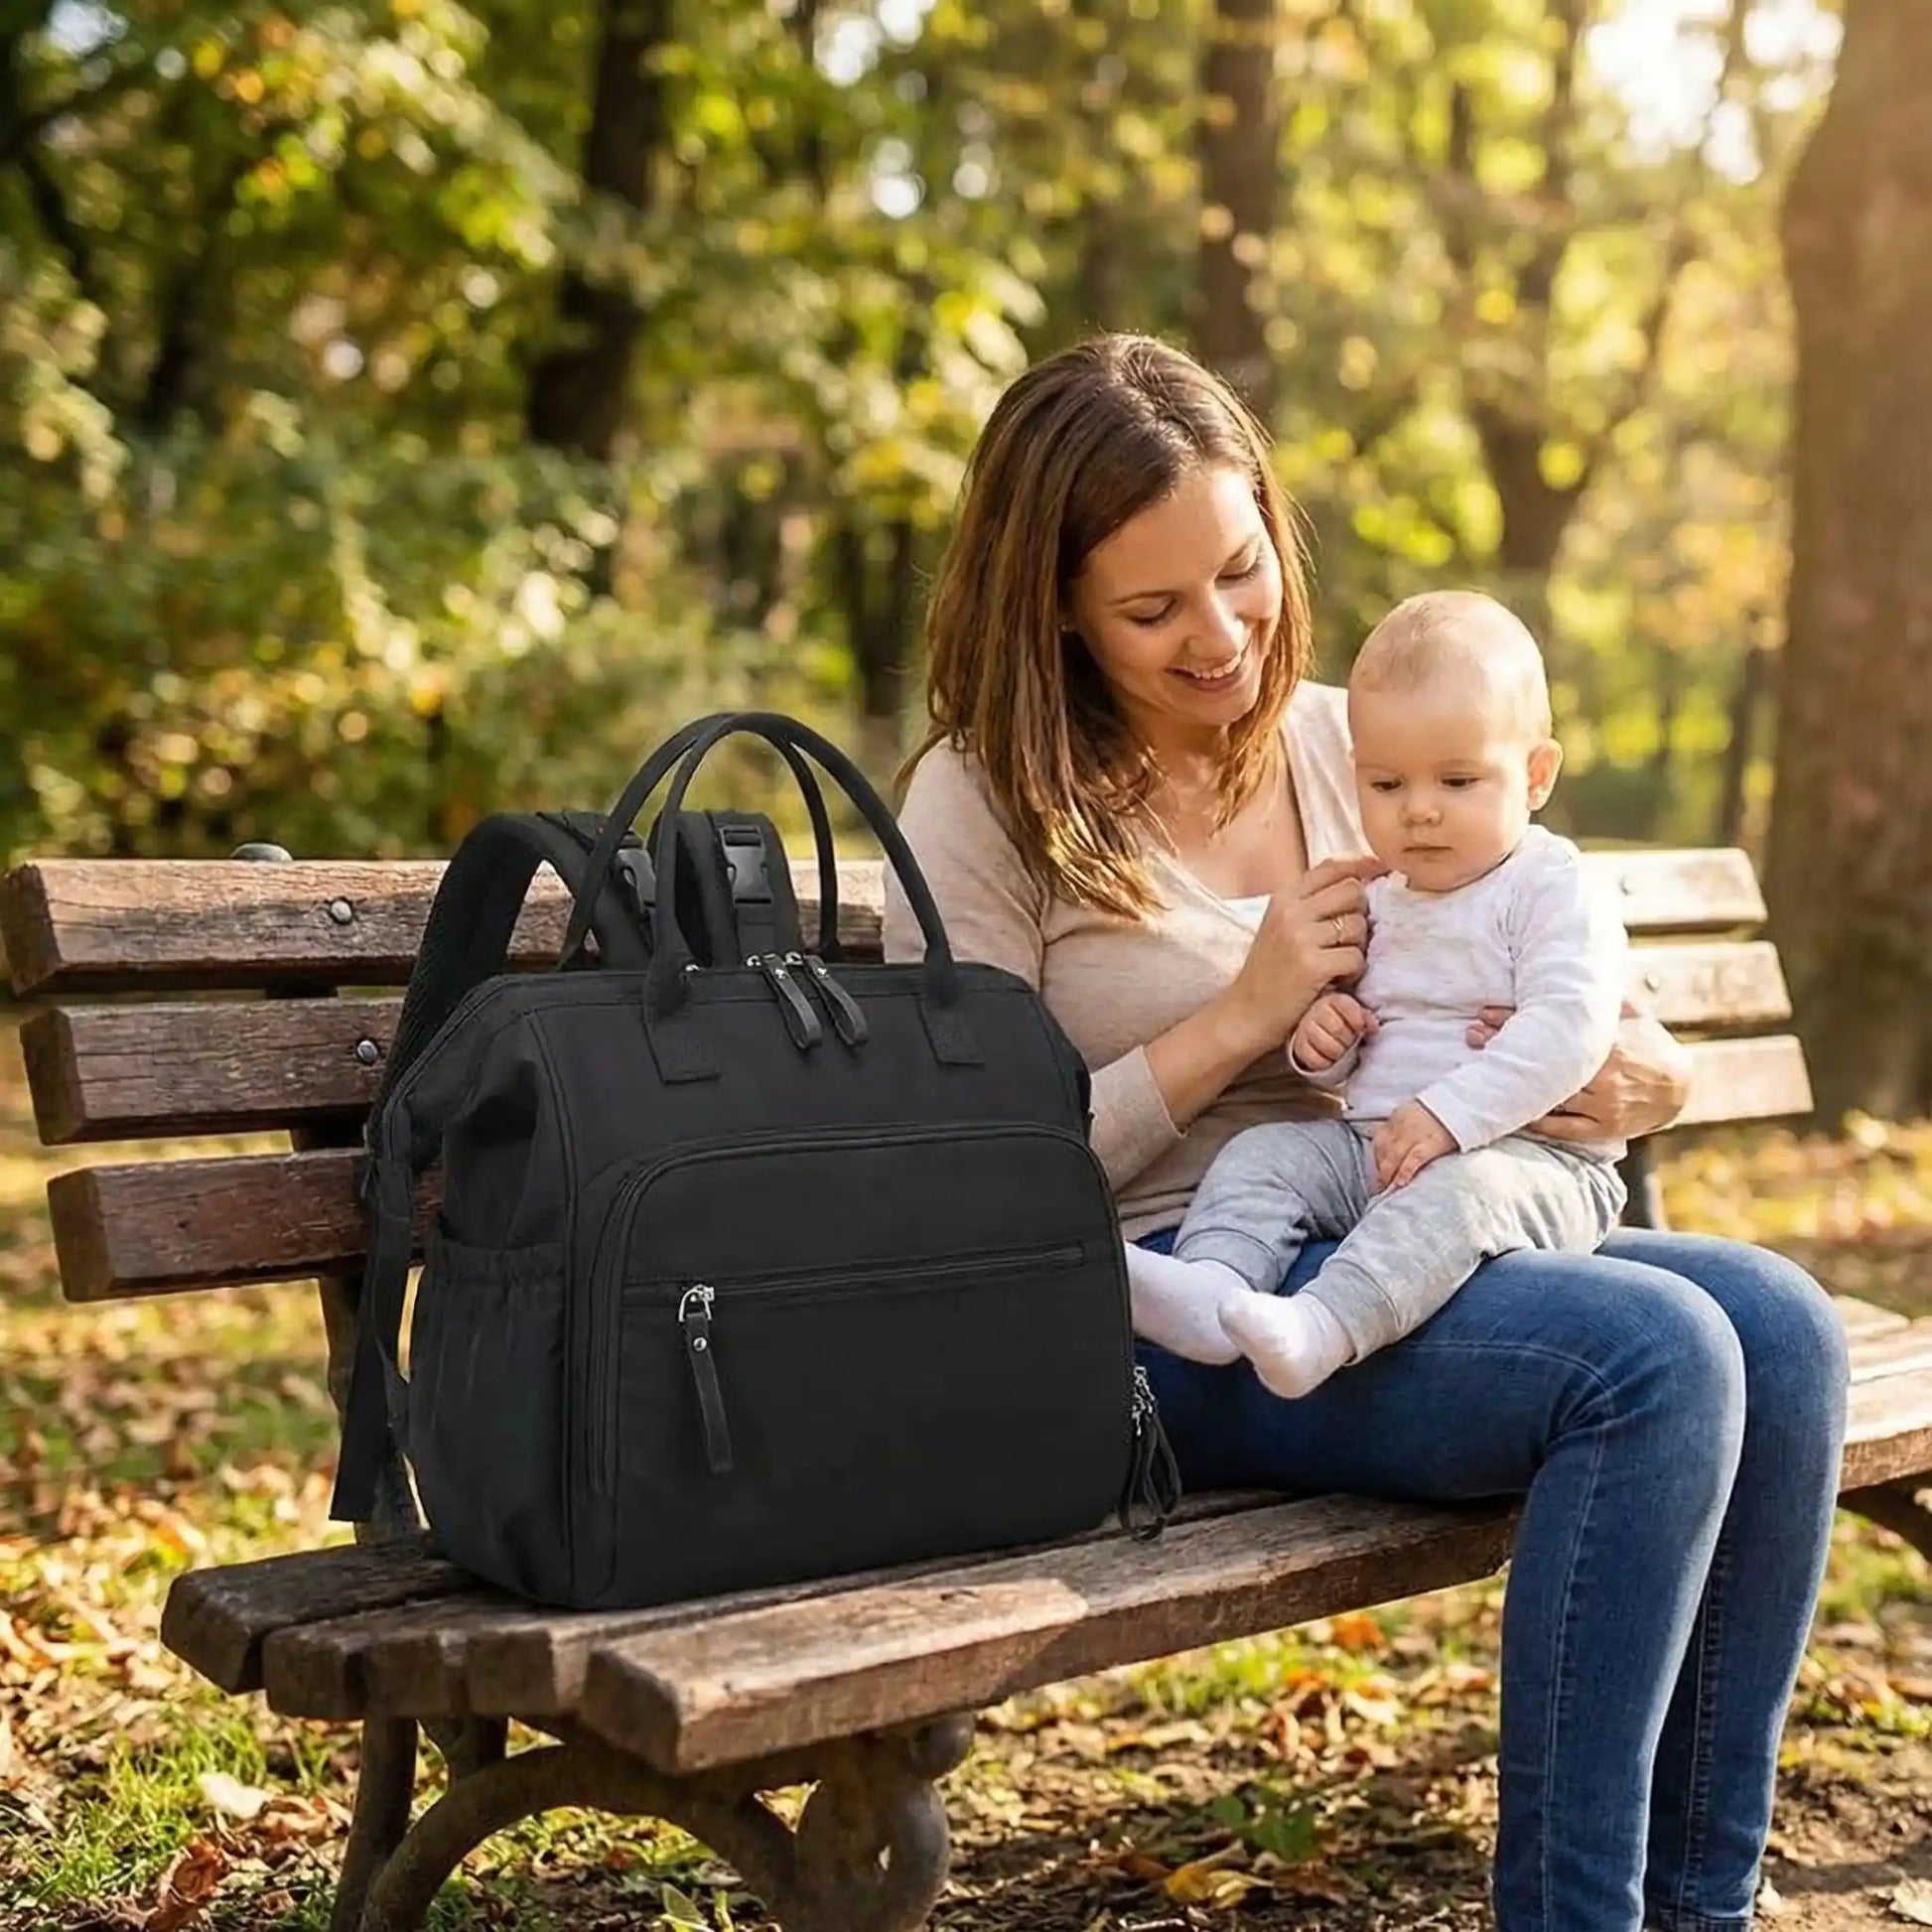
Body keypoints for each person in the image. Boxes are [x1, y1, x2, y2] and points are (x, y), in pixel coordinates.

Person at [882, 333, 1848, 1932]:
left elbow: (1576, 974)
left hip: (1403, 1223)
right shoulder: (986, 805)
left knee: (1785, 1328)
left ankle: (1701, 1912)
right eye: (1153, 608)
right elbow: (975, 1187)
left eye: (1240, 572)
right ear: (1053, 606)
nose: (1220, 637)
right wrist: (1236, 1016)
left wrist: (1642, 1081)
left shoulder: (1356, 740)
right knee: (1655, 1356)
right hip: (1165, 1306)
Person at [1129, 588, 1630, 1400]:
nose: (1420, 811)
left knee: (1457, 1195)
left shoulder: (1550, 886)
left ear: (1536, 775)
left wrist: (1449, 1115)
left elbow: (1569, 1029)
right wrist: (1326, 1040)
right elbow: (1361, 1052)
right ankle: (1213, 1286)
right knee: (1265, 1154)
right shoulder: (1380, 897)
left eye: (1458, 781)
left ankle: (1323, 1328)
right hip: (1374, 1147)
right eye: (1388, 785)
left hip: (1527, 1163)